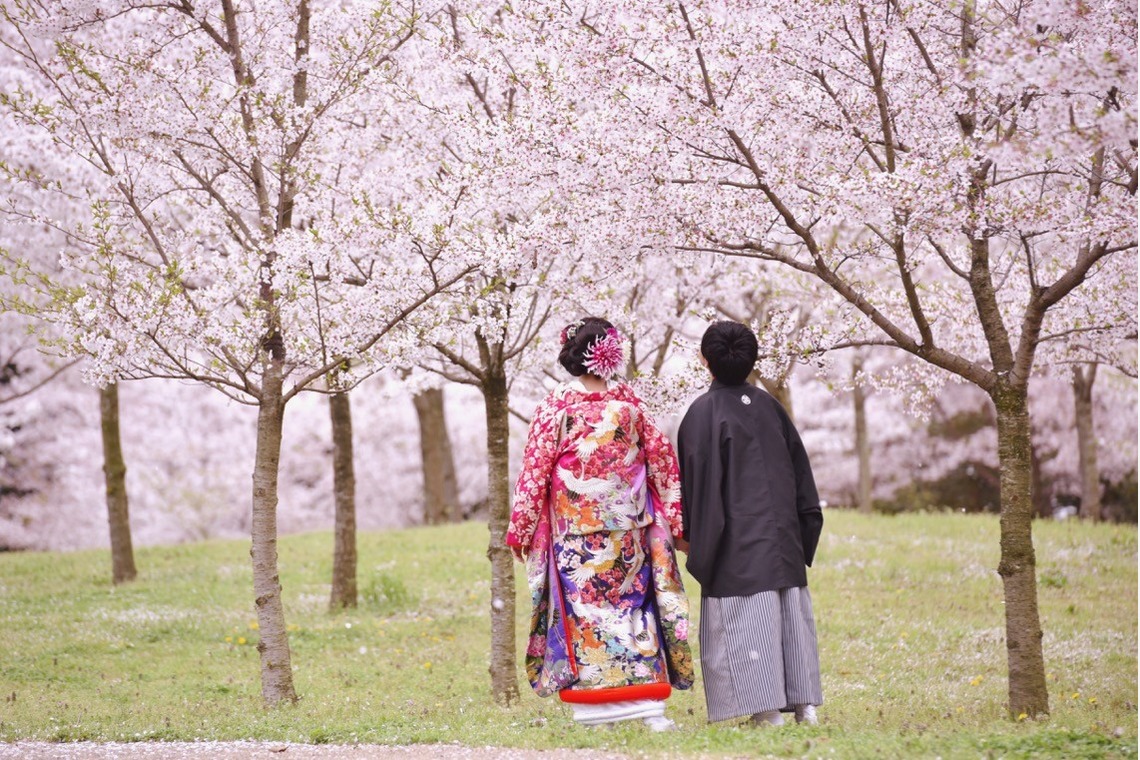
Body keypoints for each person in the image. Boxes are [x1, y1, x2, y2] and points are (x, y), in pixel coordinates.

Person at [507, 317, 693, 731]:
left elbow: (535, 470)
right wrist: (678, 522)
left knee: (587, 616)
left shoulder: (556, 404)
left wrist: (520, 528)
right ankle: (647, 705)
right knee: (633, 609)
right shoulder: (631, 402)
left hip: (576, 532)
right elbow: (662, 460)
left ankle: (597, 706)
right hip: (629, 527)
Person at [676, 320, 824, 727]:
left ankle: (767, 712)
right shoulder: (769, 406)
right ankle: (804, 706)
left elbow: (701, 489)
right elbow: (801, 476)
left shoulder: (702, 414)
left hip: (736, 544)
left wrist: (695, 543)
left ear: (705, 360)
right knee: (791, 622)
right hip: (783, 538)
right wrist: (801, 532)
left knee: (748, 627)